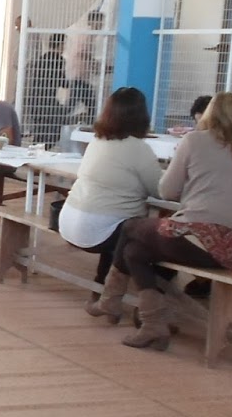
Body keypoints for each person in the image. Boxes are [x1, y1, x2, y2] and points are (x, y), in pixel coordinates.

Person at [104, 92, 232, 351]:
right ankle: (153, 323)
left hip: (192, 238)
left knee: (131, 226)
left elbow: (167, 191)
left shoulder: (194, 140)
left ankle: (111, 299)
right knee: (134, 251)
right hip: (228, 250)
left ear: (209, 113)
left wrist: (193, 186)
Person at [67, 88, 164, 311]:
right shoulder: (139, 149)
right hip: (101, 231)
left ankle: (103, 292)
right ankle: (152, 302)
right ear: (142, 115)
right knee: (145, 237)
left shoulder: (97, 141)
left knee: (118, 226)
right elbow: (161, 190)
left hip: (69, 221)